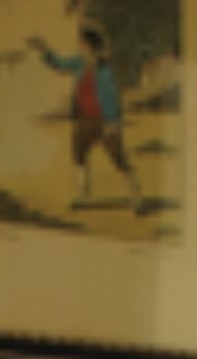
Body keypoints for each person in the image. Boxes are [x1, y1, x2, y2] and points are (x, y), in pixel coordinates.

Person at [33, 12, 148, 212]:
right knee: (78, 156)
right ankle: (82, 196)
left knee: (119, 159)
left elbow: (112, 98)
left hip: (105, 121)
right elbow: (59, 64)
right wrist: (44, 50)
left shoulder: (105, 69)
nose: (80, 46)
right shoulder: (78, 63)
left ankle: (137, 198)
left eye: (82, 43)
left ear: (91, 45)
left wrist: (113, 124)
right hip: (84, 120)